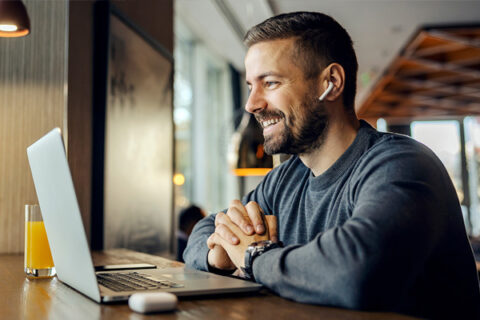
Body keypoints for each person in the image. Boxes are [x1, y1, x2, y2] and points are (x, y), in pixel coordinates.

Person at [183, 11, 480, 318]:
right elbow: (203, 231)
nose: (252, 104)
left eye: (269, 83)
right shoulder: (284, 180)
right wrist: (219, 255)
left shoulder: (402, 164)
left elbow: (354, 272)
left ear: (332, 83)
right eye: (249, 86)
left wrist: (252, 255)